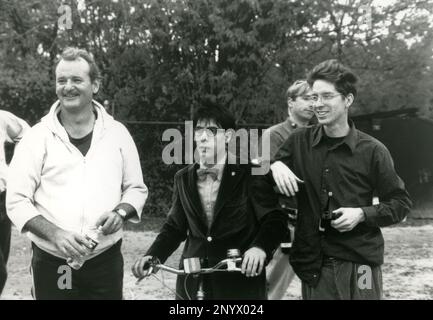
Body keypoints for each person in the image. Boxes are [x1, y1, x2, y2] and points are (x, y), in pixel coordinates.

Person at [6, 47, 148, 300]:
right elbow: (16, 201)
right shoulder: (36, 137)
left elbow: (136, 188)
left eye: (76, 80)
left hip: (105, 260)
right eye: (62, 80)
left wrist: (120, 212)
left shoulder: (118, 134)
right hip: (53, 263)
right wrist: (56, 235)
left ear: (95, 85)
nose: (67, 87)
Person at [270, 59, 412, 300]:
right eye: (314, 97)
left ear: (348, 100)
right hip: (316, 265)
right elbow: (258, 182)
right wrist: (274, 165)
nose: (318, 104)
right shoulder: (298, 141)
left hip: (362, 263)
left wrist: (362, 214)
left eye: (327, 96)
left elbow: (401, 203)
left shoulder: (373, 151)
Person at [132, 102, 287, 299]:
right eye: (198, 130)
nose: (203, 137)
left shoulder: (250, 173)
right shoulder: (183, 177)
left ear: (229, 136)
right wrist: (153, 256)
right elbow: (174, 228)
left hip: (239, 282)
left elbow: (275, 220)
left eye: (212, 130)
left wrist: (259, 248)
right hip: (192, 281)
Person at [262, 80, 315, 300]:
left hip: (314, 224)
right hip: (286, 223)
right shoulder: (274, 135)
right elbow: (260, 181)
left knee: (317, 284)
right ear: (290, 102)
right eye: (306, 98)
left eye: (315, 98)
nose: (312, 103)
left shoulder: (320, 136)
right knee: (271, 289)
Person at [0, 111, 30, 295]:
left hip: (2, 199)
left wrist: (15, 167)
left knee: (2, 259)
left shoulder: (1, 117)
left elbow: (25, 132)